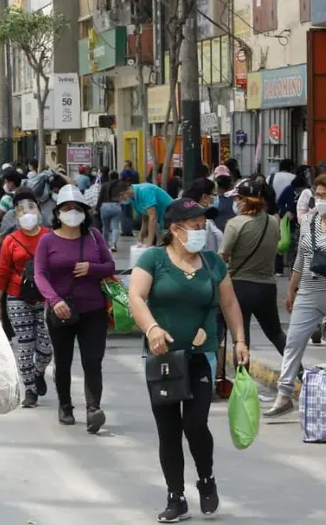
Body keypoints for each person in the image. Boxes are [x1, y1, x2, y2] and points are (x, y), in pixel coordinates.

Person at [129, 198, 249, 522]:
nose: (201, 231)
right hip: (163, 358)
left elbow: (230, 304)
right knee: (168, 429)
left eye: (203, 225)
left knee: (195, 425)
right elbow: (136, 296)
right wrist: (152, 328)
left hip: (201, 356)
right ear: (176, 229)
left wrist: (239, 340)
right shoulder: (154, 259)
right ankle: (176, 497)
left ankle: (206, 479)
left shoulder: (213, 263)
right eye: (195, 226)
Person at [34, 185, 115, 431]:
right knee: (63, 361)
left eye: (77, 208)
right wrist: (54, 300)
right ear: (58, 213)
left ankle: (93, 409)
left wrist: (92, 269)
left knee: (93, 361)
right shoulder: (47, 240)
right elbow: (39, 274)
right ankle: (65, 405)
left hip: (93, 309)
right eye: (67, 208)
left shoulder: (94, 236)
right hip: (61, 311)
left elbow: (110, 266)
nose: (72, 212)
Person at [265, 174, 326, 417]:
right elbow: (300, 258)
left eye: (325, 196)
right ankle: (284, 395)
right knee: (293, 342)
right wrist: (291, 290)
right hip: (309, 292)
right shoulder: (309, 220)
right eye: (318, 195)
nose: (320, 200)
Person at [0, 188, 52, 407]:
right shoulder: (10, 240)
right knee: (25, 345)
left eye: (31, 208)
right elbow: (2, 271)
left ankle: (38, 372)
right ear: (16, 214)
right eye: (21, 210)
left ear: (38, 211)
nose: (27, 213)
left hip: (45, 297)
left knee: (45, 348)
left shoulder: (49, 236)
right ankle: (29, 390)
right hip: (17, 296)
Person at [218, 177, 283, 353]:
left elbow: (222, 257)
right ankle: (298, 368)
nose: (234, 202)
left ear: (243, 200)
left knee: (241, 338)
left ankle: (242, 371)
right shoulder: (273, 221)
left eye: (236, 198)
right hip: (267, 286)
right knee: (276, 333)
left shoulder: (235, 224)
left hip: (240, 286)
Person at [122, 181, 175, 246]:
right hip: (162, 221)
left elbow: (153, 217)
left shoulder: (145, 190)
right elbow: (145, 216)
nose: (120, 201)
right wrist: (141, 234)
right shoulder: (132, 198)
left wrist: (149, 241)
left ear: (122, 193)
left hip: (172, 218)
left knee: (170, 247)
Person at [98, 175, 127, 252]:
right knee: (115, 227)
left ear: (109, 177)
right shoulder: (120, 185)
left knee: (105, 227)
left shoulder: (104, 185)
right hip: (116, 206)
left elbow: (100, 197)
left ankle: (105, 244)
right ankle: (114, 244)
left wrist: (97, 208)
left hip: (105, 206)